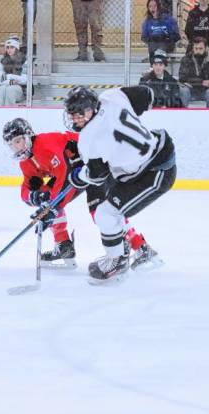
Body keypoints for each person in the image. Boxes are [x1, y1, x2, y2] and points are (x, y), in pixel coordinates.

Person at [2, 117, 154, 270]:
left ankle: (141, 247)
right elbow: (27, 188)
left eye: (17, 141)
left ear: (28, 136)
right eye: (11, 144)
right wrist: (34, 197)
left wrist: (51, 209)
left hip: (97, 165)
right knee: (48, 197)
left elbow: (63, 175)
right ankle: (64, 246)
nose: (15, 147)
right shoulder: (26, 161)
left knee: (102, 213)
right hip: (78, 173)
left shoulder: (45, 144)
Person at [63, 85, 175, 283]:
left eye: (82, 112)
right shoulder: (112, 96)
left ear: (93, 107)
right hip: (156, 151)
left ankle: (117, 261)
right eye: (73, 113)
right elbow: (147, 94)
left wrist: (77, 176)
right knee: (108, 210)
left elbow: (97, 176)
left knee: (106, 214)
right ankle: (136, 249)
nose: (77, 117)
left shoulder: (88, 138)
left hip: (155, 172)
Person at [178, 36, 209, 108]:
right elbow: (182, 77)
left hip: (206, 90)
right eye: (196, 48)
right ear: (193, 48)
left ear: (206, 48)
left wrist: (192, 80)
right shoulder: (186, 59)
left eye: (200, 49)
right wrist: (201, 82)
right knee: (183, 90)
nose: (198, 51)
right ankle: (183, 115)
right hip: (190, 89)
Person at [0, 36, 27, 106]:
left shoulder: (24, 60)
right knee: (1, 89)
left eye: (12, 47)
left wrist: (9, 77)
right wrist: (11, 81)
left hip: (21, 90)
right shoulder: (3, 61)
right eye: (7, 47)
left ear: (16, 48)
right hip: (6, 86)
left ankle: (9, 113)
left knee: (10, 90)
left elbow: (25, 79)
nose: (9, 50)